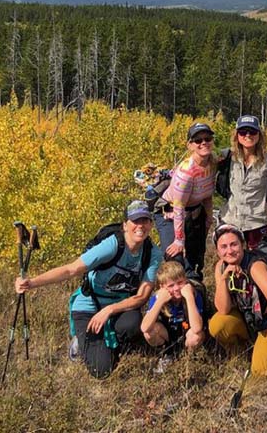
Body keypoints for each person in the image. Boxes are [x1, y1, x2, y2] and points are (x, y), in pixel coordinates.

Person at [15, 200, 162, 379]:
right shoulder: (113, 245)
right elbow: (72, 269)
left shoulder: (152, 253)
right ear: (125, 225)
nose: (140, 226)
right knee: (102, 371)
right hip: (89, 304)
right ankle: (82, 339)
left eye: (145, 221)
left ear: (151, 224)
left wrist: (109, 310)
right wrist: (32, 283)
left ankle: (110, 342)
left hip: (118, 306)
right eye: (135, 221)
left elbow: (142, 296)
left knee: (132, 324)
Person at [209, 224, 267, 375]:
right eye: (224, 246)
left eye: (234, 244)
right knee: (217, 324)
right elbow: (223, 309)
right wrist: (223, 279)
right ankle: (245, 349)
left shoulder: (255, 267)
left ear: (243, 244)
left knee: (260, 371)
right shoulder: (221, 266)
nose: (229, 251)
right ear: (217, 251)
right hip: (249, 321)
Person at [156, 122, 216, 280]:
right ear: (190, 145)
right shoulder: (186, 173)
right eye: (198, 140)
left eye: (208, 138)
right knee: (175, 257)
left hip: (195, 211)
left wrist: (209, 219)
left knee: (196, 258)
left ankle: (196, 292)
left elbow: (207, 195)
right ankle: (174, 296)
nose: (204, 143)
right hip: (170, 213)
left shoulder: (213, 162)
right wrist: (179, 240)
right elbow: (178, 207)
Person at [217, 114, 267, 250]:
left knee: (259, 262)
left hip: (257, 222)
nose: (248, 135)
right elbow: (203, 162)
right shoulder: (227, 156)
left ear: (259, 134)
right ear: (237, 135)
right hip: (230, 220)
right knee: (230, 262)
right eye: (243, 132)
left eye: (252, 131)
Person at [141, 260, 205, 370]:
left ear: (186, 281)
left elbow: (197, 328)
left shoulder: (193, 294)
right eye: (171, 285)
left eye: (180, 283)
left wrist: (189, 298)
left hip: (187, 332)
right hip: (168, 333)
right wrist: (160, 301)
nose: (176, 288)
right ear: (162, 287)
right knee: (149, 333)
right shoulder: (157, 298)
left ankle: (188, 357)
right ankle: (167, 354)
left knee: (196, 336)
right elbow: (144, 328)